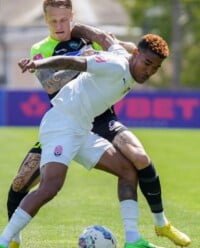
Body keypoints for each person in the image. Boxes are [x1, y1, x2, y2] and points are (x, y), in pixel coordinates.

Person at [5, 1, 190, 248]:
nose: (149, 72)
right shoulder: (114, 64)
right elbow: (76, 64)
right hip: (61, 122)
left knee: (128, 170)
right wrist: (37, 64)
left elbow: (100, 36)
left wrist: (79, 28)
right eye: (147, 64)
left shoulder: (125, 57)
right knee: (49, 187)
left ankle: (133, 240)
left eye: (155, 68)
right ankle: (5, 241)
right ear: (136, 56)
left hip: (82, 127)